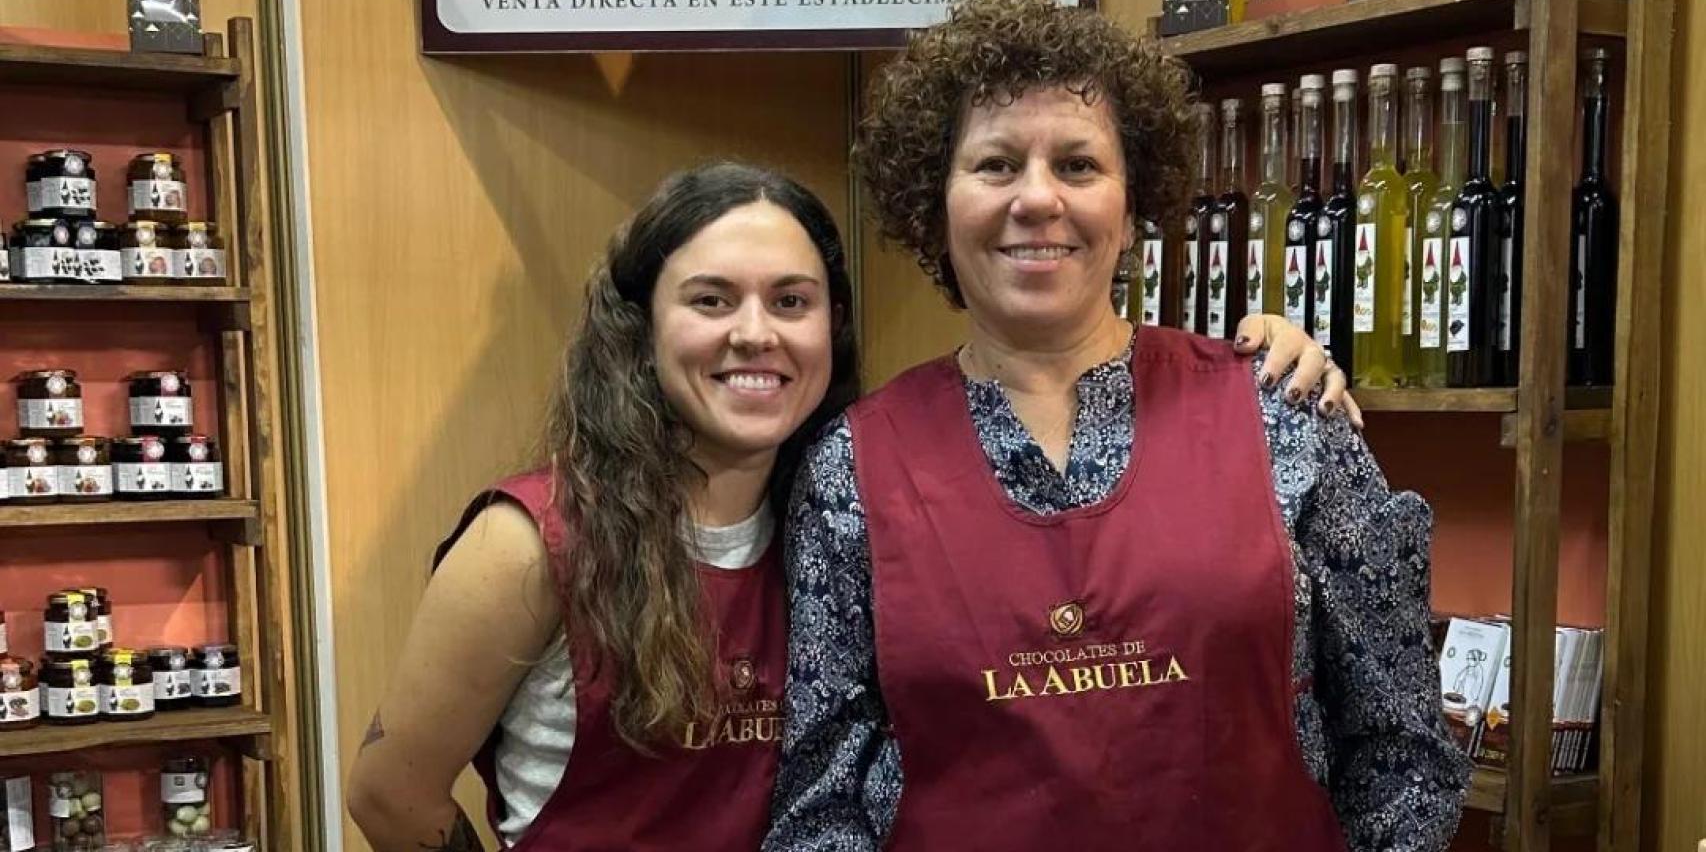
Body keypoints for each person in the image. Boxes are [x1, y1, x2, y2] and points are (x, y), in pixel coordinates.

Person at [345, 157, 1342, 852]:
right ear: (637, 329)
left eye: (790, 300)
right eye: (707, 300)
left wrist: (1264, 349)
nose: (753, 335)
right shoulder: (528, 545)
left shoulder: (848, 499)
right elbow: (388, 797)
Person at [764, 0, 1471, 852]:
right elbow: (823, 808)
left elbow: (1402, 755)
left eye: (1078, 165)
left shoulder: (1283, 415)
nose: (1037, 199)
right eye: (995, 165)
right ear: (932, 203)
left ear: (1134, 206)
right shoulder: (852, 470)